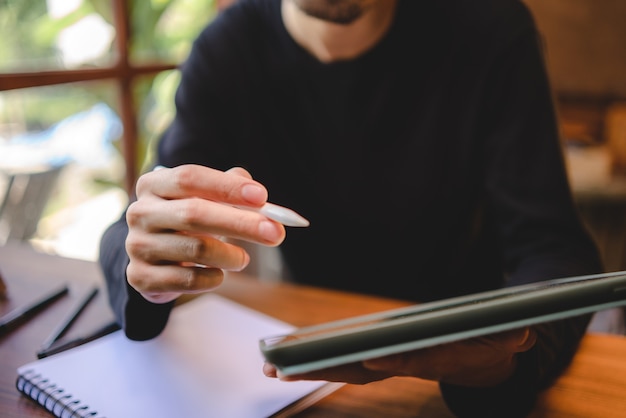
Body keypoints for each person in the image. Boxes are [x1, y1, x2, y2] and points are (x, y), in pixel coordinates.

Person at [99, 0, 603, 416]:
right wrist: (146, 262)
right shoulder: (228, 48)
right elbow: (142, 221)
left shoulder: (490, 29)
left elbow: (556, 248)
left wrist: (505, 366)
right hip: (309, 379)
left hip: (459, 368)